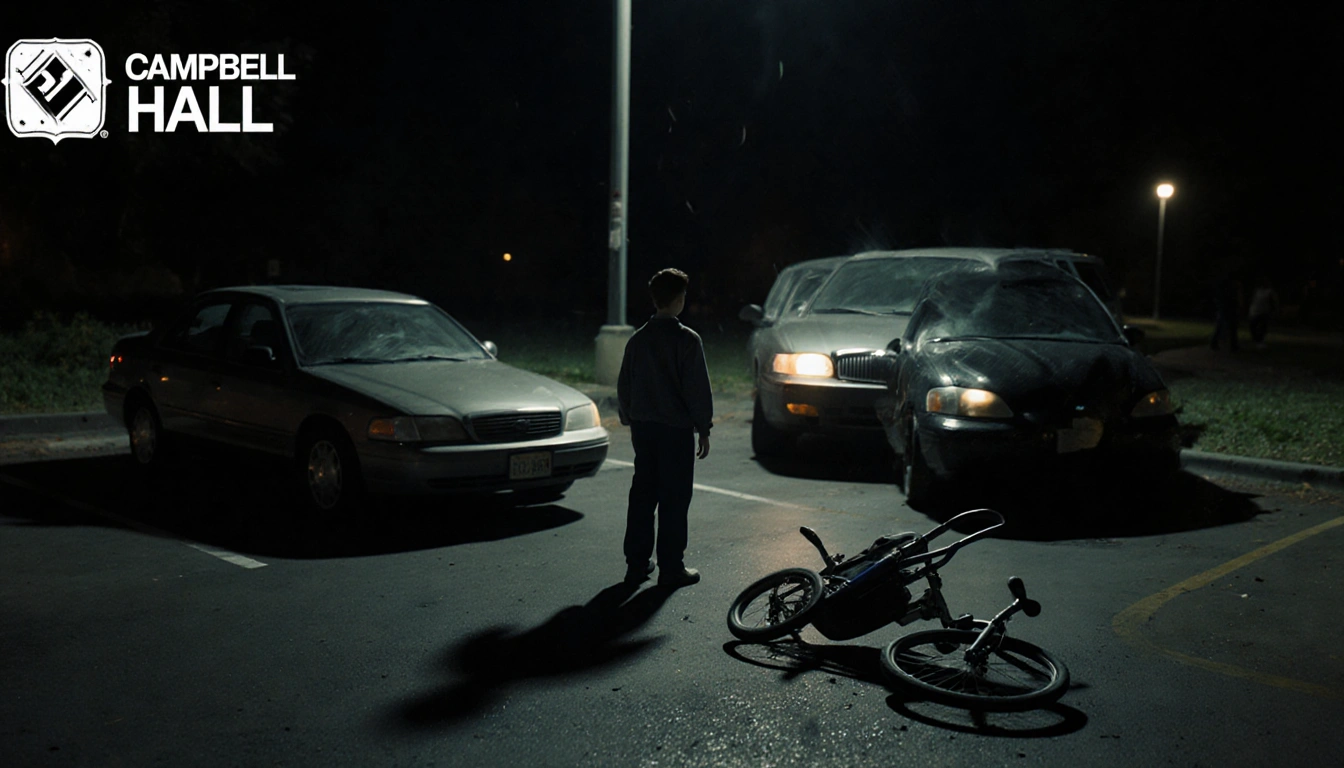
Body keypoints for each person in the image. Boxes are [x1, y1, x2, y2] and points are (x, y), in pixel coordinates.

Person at [617, 268, 714, 588]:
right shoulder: (687, 340)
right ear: (679, 300)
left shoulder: (638, 339)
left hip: (644, 430)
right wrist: (704, 427)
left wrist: (629, 415)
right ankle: (672, 566)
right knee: (674, 498)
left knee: (643, 495)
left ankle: (637, 563)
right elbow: (696, 388)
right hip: (675, 431)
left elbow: (625, 384)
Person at [1210, 272, 1241, 352]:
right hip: (1229, 307)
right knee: (1231, 327)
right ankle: (1233, 345)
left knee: (1222, 326)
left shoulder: (1223, 287)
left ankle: (1218, 343)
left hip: (1225, 307)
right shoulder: (1232, 287)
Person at [1247, 275, 1279, 350]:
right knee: (1253, 326)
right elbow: (1252, 300)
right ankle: (1257, 340)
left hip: (1264, 312)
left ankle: (1260, 341)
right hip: (1254, 311)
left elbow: (1274, 302)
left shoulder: (1269, 291)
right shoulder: (1257, 291)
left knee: (1263, 327)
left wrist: (1274, 310)